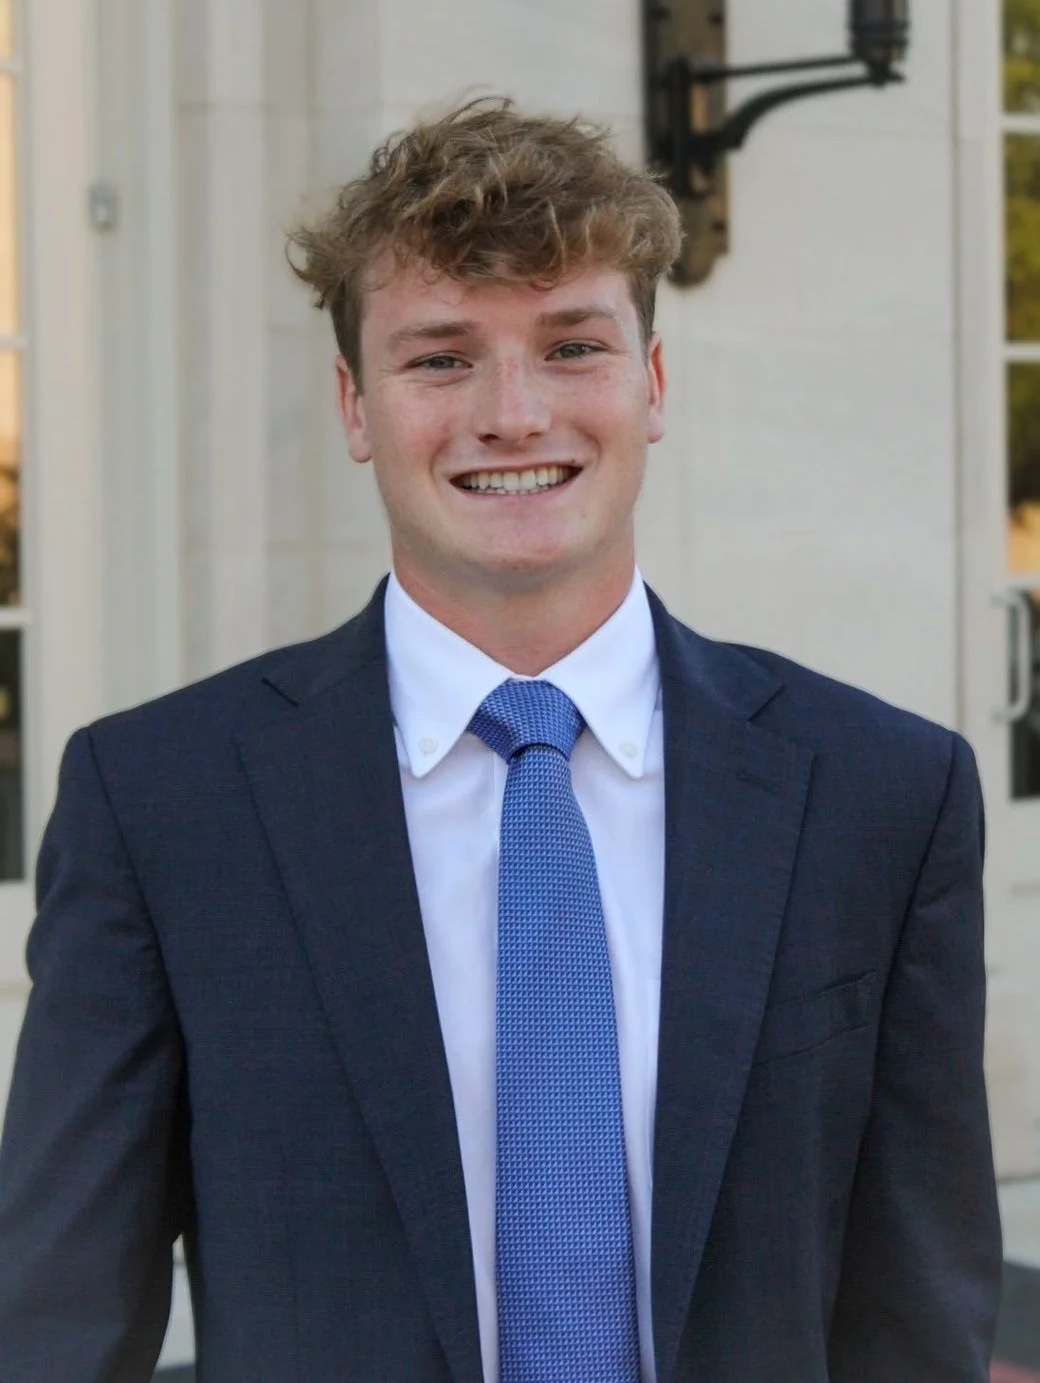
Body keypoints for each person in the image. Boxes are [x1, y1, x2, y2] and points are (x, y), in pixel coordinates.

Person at [0, 100, 1001, 1382]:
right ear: (356, 405)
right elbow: (59, 1324)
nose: (513, 413)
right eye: (439, 358)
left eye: (571, 344)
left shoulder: (884, 793)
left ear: (651, 387)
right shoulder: (156, 804)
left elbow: (915, 1307)